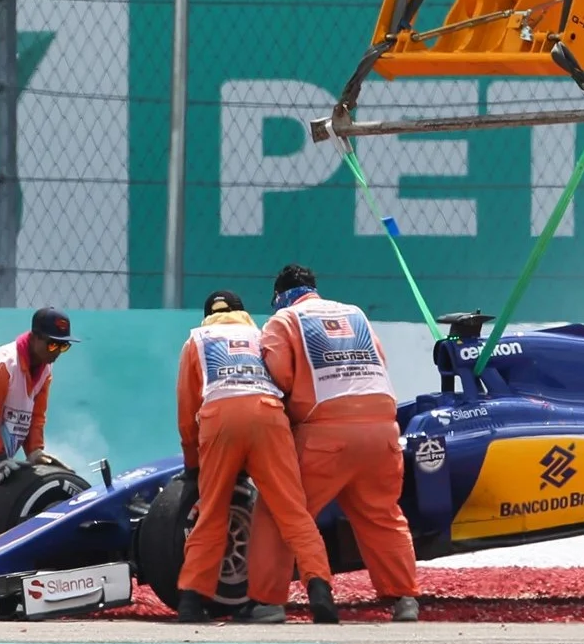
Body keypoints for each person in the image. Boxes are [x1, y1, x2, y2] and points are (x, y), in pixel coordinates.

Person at [248, 265, 421, 623]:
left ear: (280, 295)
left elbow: (278, 373)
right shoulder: (355, 314)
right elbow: (380, 362)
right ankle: (404, 598)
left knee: (282, 513)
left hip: (325, 435)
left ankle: (267, 602)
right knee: (382, 514)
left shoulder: (284, 320)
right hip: (382, 432)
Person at [174, 289, 337, 624]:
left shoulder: (197, 340)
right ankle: (320, 589)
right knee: (293, 511)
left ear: (207, 316)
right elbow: (286, 381)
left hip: (220, 417)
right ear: (242, 312)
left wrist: (193, 463)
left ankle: (192, 600)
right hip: (268, 415)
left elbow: (187, 408)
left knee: (213, 510)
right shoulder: (262, 336)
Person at [0, 307, 75, 552]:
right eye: (53, 345)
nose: (58, 353)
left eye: (64, 347)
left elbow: (36, 416)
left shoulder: (44, 369)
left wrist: (35, 452)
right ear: (35, 337)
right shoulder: (3, 365)